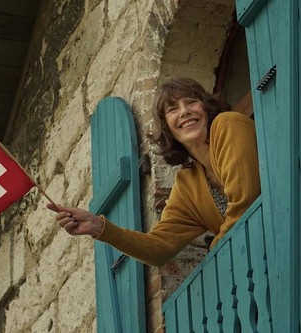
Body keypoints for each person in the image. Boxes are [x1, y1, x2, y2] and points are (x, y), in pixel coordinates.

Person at [46, 77, 261, 267]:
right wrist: (99, 227)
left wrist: (216, 246)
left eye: (191, 102)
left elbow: (246, 199)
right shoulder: (187, 184)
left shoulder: (228, 124)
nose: (184, 111)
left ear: (206, 108)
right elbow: (160, 248)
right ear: (167, 127)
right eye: (172, 109)